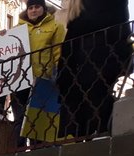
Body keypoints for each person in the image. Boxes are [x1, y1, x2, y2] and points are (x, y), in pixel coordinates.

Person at [57, 0, 132, 139]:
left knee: (97, 111)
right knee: (82, 116)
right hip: (80, 69)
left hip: (101, 64)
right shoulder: (76, 9)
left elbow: (118, 25)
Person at [12, 0, 67, 144]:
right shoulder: (18, 28)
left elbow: (58, 52)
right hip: (20, 82)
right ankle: (18, 153)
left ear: (43, 8)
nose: (33, 10)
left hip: (42, 81)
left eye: (37, 7)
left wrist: (58, 75)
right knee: (19, 120)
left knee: (37, 122)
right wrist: (1, 37)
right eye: (30, 8)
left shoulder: (56, 26)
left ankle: (38, 154)